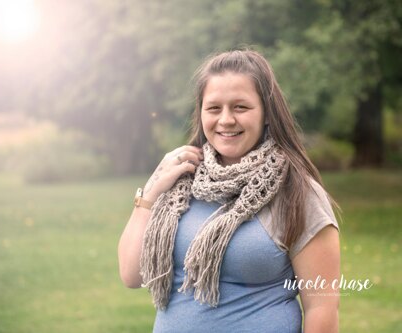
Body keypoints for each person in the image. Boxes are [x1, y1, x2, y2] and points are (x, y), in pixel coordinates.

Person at [118, 49, 340, 333]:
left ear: (267, 113)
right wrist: (149, 195)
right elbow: (131, 275)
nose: (226, 120)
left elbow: (321, 307)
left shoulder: (297, 192)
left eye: (240, 107)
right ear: (201, 113)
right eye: (214, 108)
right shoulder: (180, 180)